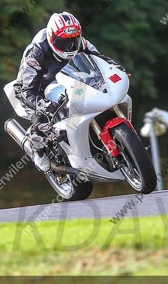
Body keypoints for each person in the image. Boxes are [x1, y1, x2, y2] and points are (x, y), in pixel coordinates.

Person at [14, 11, 124, 172]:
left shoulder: (81, 44)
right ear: (52, 38)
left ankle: (88, 138)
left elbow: (100, 60)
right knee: (44, 118)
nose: (70, 46)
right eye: (64, 42)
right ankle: (37, 147)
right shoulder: (37, 53)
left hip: (72, 80)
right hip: (38, 87)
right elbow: (26, 90)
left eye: (73, 40)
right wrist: (43, 105)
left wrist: (115, 68)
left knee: (91, 95)